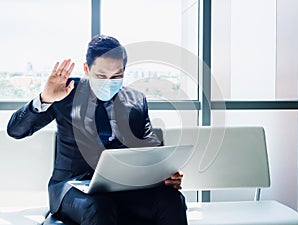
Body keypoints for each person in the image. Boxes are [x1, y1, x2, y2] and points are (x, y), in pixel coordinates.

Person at [7, 35, 188, 225]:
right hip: (72, 188)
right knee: (99, 206)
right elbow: (15, 130)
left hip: (123, 189)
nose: (109, 81)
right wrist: (45, 98)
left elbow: (151, 148)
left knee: (172, 200)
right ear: (86, 69)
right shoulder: (66, 93)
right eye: (101, 76)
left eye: (117, 76)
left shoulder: (136, 100)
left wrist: (165, 173)